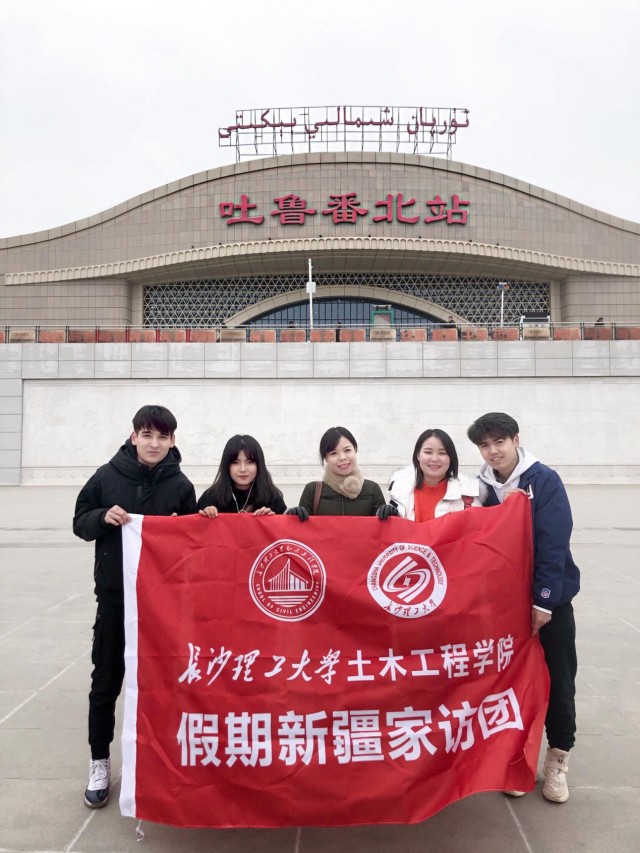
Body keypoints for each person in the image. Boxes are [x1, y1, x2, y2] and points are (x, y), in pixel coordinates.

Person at [73, 405, 196, 809]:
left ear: (172, 441)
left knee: (164, 686)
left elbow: (193, 543)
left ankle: (159, 760)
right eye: (147, 435)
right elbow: (80, 521)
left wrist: (183, 527)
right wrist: (101, 516)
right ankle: (99, 761)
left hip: (161, 606)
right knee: (105, 684)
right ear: (133, 437)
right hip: (115, 599)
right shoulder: (107, 476)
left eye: (162, 437)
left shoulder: (181, 485)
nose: (154, 443)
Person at [467, 412, 580, 803]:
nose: (493, 451)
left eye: (499, 442)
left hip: (549, 603)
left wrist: (543, 601)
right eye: (485, 445)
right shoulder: (480, 486)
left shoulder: (543, 480)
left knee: (558, 681)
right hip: (503, 605)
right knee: (511, 684)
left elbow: (553, 544)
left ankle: (558, 758)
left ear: (516, 440)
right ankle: (519, 760)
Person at [286, 426, 388, 518]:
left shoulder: (373, 489)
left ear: (355, 450)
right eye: (334, 453)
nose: (342, 457)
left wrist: (390, 515)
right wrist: (293, 516)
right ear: (326, 458)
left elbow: (384, 530)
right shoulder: (312, 491)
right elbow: (300, 529)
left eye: (347, 450)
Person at [388, 428, 481, 520]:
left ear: (451, 458)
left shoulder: (468, 495)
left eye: (442, 453)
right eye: (428, 452)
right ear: (418, 455)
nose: (434, 459)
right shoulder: (399, 492)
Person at [197, 434, 286, 517]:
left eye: (250, 462)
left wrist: (271, 520)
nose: (243, 469)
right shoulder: (210, 498)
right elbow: (194, 526)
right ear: (227, 465)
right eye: (235, 462)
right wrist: (205, 516)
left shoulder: (273, 499)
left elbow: (284, 527)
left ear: (259, 465)